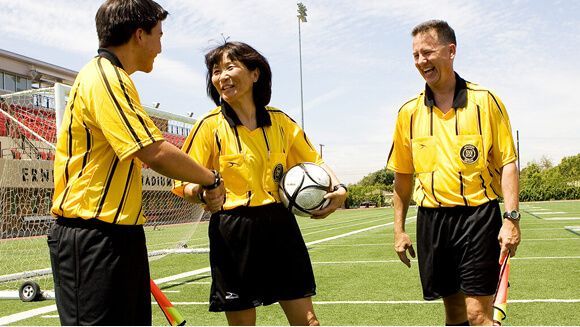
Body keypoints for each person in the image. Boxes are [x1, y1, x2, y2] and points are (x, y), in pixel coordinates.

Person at [48, 0, 224, 325]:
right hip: (91, 236)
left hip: (119, 236)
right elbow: (153, 151)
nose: (161, 46)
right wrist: (210, 179)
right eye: (159, 34)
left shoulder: (116, 78)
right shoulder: (104, 77)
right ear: (140, 35)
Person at [172, 41, 347, 326]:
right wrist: (202, 194)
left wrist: (339, 188)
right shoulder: (207, 126)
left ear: (255, 74)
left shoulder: (281, 122)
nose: (221, 76)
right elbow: (183, 182)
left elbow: (315, 162)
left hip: (280, 225)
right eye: (216, 71)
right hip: (233, 229)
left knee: (308, 321)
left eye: (230, 67)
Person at [387, 20, 521, 326]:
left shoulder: (485, 102)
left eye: (428, 52)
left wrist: (511, 219)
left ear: (451, 51)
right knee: (455, 314)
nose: (421, 61)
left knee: (477, 315)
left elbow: (508, 163)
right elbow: (402, 177)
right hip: (433, 221)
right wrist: (398, 229)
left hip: (477, 216)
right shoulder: (408, 112)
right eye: (415, 55)